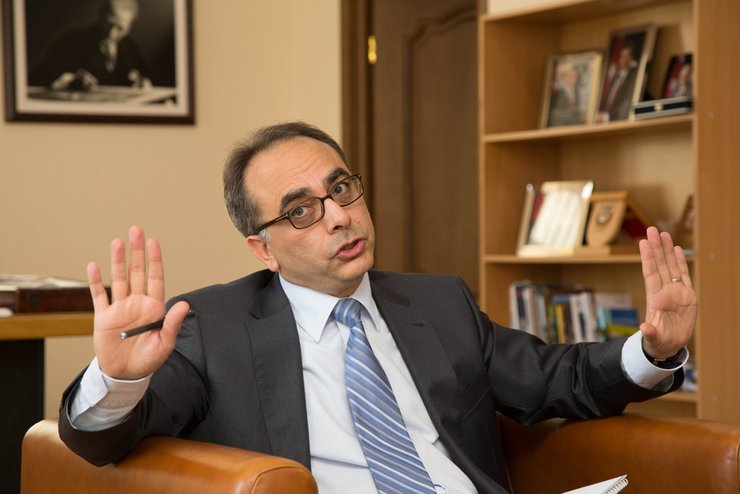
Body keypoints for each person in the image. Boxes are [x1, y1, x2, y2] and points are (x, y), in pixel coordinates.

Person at [58, 122, 697, 493]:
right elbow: (102, 442)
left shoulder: (438, 303)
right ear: (263, 249)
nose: (339, 216)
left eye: (342, 188)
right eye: (302, 210)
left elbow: (557, 379)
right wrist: (118, 378)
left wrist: (654, 349)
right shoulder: (211, 328)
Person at [29, 0, 151, 91]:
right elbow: (39, 75)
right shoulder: (72, 41)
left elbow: (149, 77)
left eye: (120, 28)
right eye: (109, 24)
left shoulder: (130, 47)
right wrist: (70, 80)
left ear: (130, 27)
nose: (112, 33)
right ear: (101, 17)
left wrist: (143, 82)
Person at [596, 44, 639, 122]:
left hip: (618, 121)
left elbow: (625, 107)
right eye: (621, 56)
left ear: (630, 58)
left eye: (626, 56)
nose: (622, 60)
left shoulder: (634, 78)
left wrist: (606, 117)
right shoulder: (614, 76)